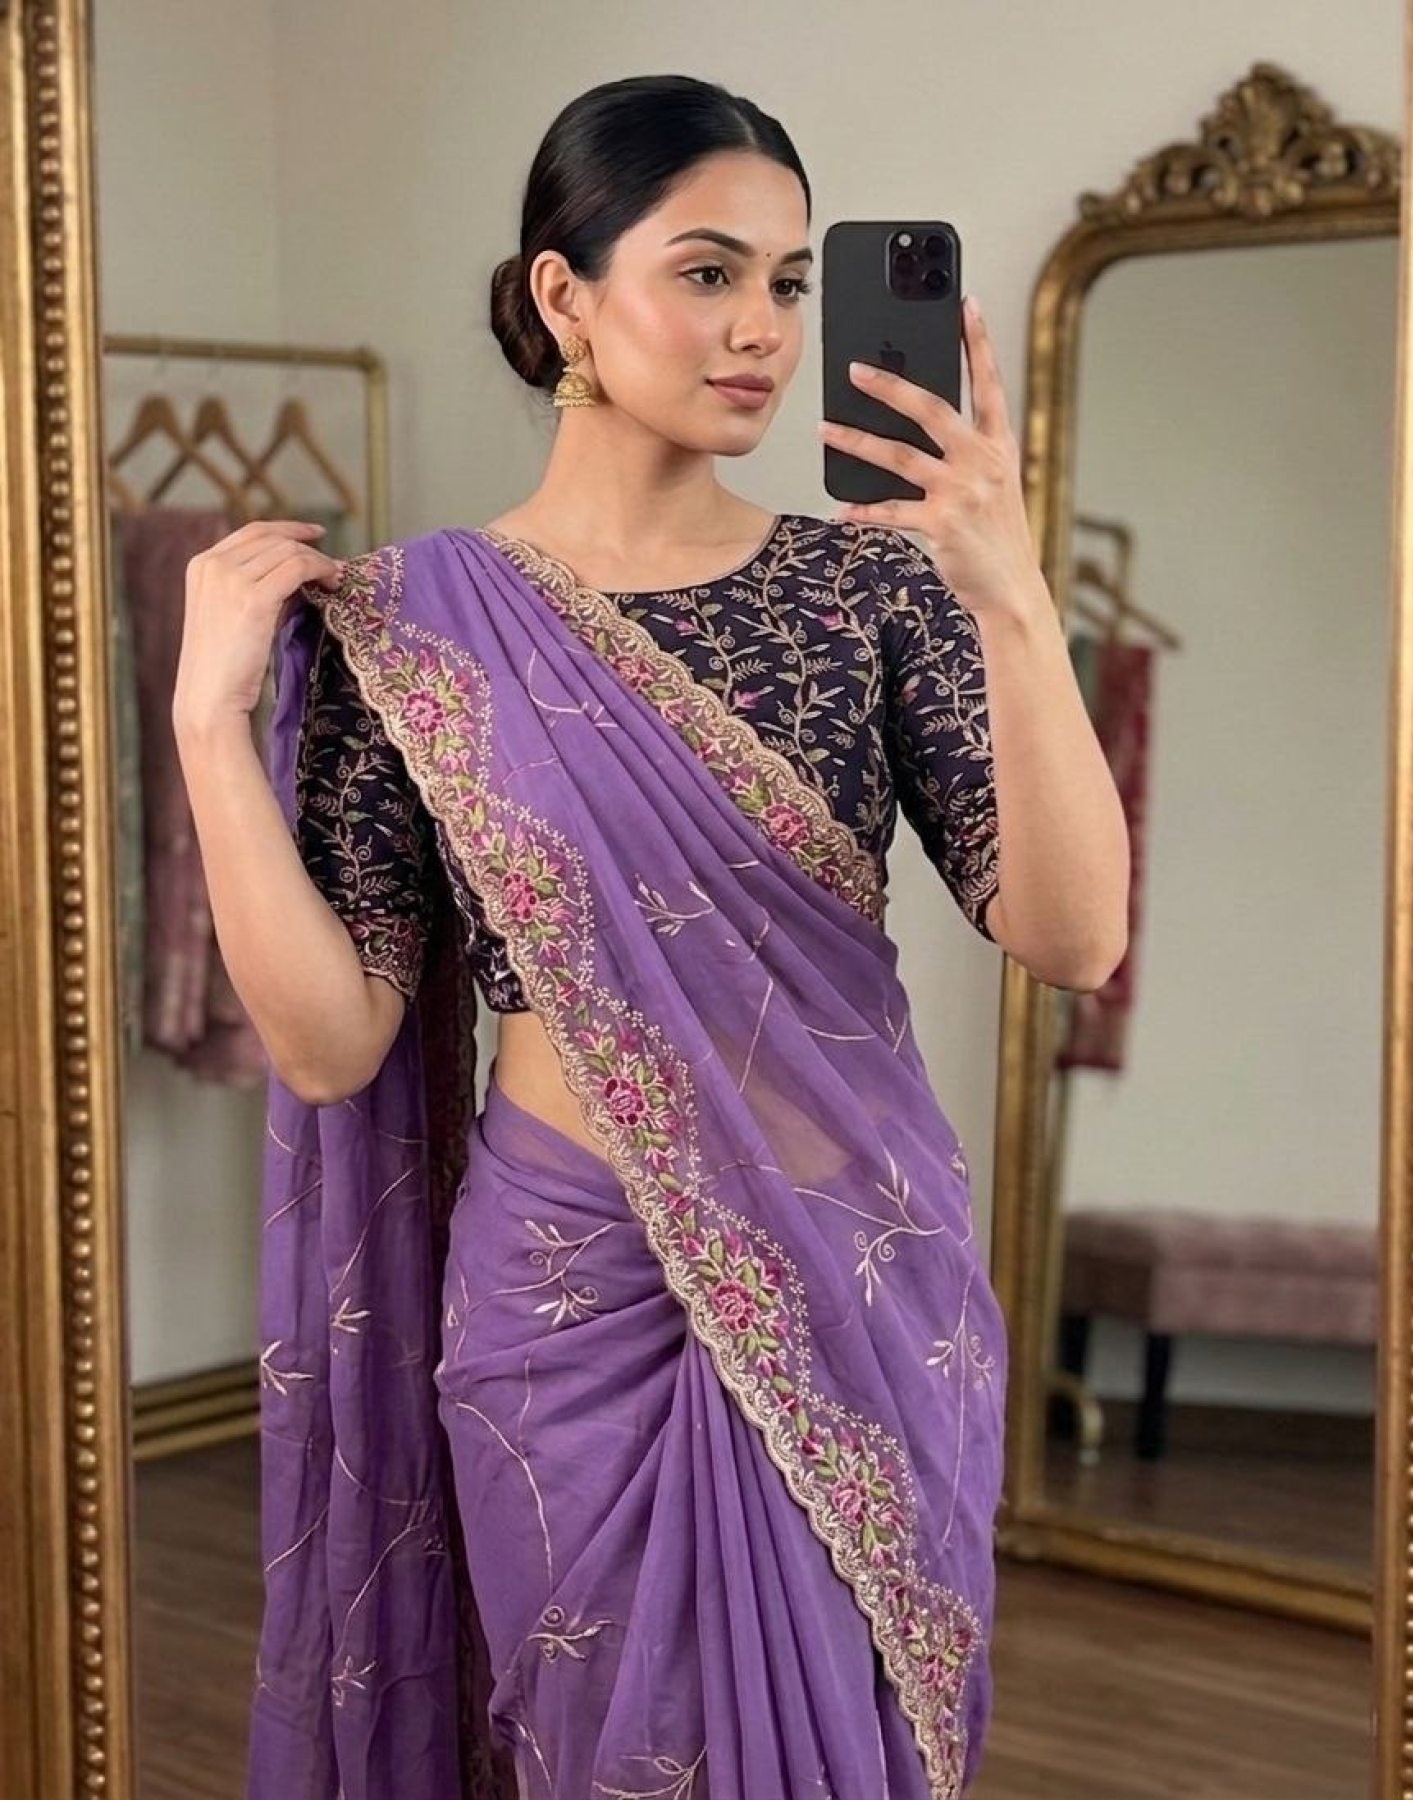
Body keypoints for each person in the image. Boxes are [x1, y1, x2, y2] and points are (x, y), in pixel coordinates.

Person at [173, 72, 1127, 1800]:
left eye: (788, 280)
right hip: (564, 1310)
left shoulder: (871, 592)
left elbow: (1072, 934)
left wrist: (1010, 594)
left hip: (855, 1284)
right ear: (566, 294)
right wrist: (205, 732)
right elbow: (328, 1044)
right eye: (707, 273)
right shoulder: (413, 628)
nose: (763, 327)